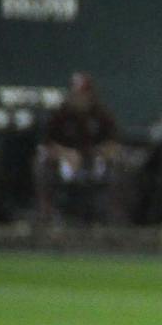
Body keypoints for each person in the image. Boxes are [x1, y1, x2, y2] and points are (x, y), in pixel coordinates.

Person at [32, 72, 124, 225]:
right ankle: (46, 213)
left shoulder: (101, 113)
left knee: (122, 164)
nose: (80, 99)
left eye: (83, 94)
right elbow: (46, 144)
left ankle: (115, 217)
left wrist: (99, 153)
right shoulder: (60, 114)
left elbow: (114, 143)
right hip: (64, 162)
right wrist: (65, 153)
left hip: (95, 161)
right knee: (41, 163)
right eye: (76, 94)